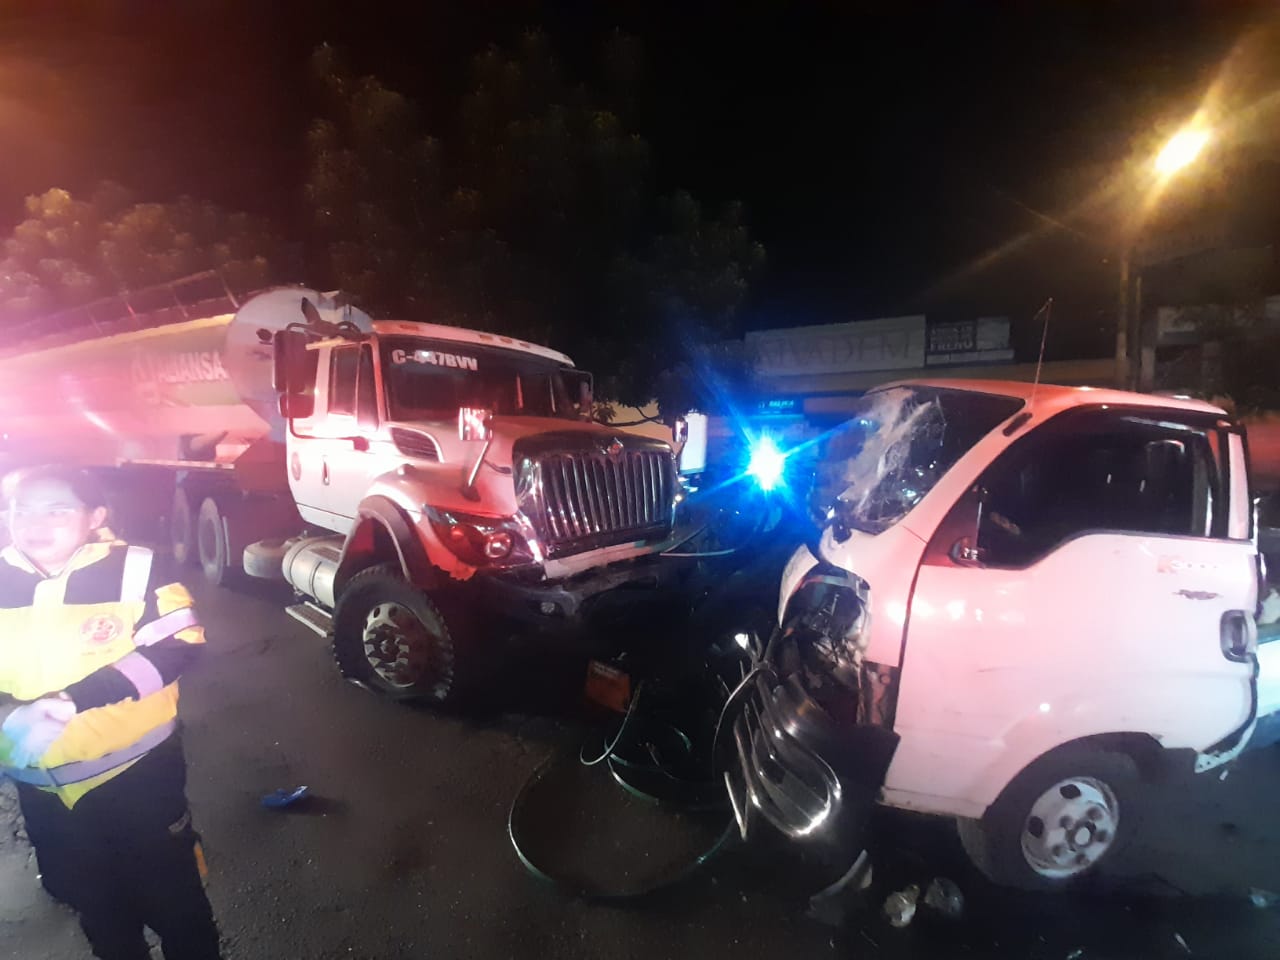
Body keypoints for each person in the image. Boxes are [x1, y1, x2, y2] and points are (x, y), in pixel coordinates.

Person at [0, 465, 221, 960]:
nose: (37, 522)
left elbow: (180, 644)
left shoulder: (136, 568)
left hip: (136, 778)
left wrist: (73, 700)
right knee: (97, 909)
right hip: (41, 792)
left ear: (94, 515)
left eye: (57, 509)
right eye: (22, 510)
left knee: (177, 907)